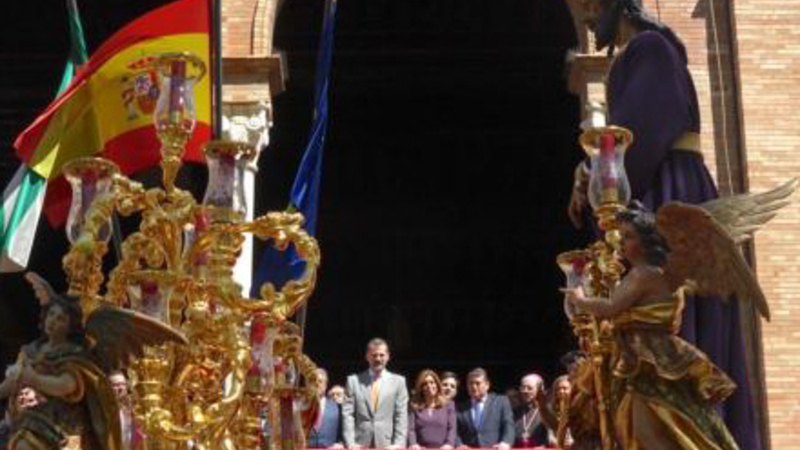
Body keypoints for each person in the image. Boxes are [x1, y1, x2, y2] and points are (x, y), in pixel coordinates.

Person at [566, 0, 758, 448]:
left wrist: (595, 172)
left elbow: (642, 131)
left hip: (667, 188)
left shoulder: (650, 47)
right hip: (662, 186)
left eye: (594, 7)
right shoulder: (644, 52)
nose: (589, 19)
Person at [561, 207, 739, 449]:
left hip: (648, 358)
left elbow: (611, 307)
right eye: (621, 236)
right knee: (659, 422)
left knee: (645, 428)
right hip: (654, 357)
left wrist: (580, 299)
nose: (621, 243)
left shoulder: (644, 274)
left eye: (628, 236)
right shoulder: (662, 274)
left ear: (647, 241)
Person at [0, 294, 121, 450]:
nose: (52, 321)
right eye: (51, 314)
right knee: (22, 442)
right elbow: (13, 383)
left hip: (68, 421)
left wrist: (34, 379)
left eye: (61, 319)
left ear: (71, 326)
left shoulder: (75, 353)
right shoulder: (32, 350)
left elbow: (67, 385)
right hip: (42, 416)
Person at [342, 338, 408, 449]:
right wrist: (350, 443)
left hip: (388, 444)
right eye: (374, 355)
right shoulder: (353, 381)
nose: (378, 359)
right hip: (359, 444)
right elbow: (348, 415)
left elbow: (401, 415)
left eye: (382, 355)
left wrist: (398, 444)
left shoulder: (398, 382)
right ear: (367, 357)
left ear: (388, 356)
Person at [455, 368, 514, 449]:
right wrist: (459, 444)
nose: (474, 387)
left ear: (487, 385)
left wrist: (506, 442)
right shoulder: (460, 407)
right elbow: (455, 430)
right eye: (470, 383)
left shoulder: (500, 401)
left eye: (477, 383)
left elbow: (508, 424)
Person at [407, 369, 456, 449]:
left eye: (432, 382)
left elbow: (452, 428)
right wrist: (413, 443)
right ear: (421, 388)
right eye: (425, 384)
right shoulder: (414, 405)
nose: (429, 386)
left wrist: (449, 444)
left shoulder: (448, 404)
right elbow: (411, 429)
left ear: (437, 384)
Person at [308, 368, 343, 448]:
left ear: (326, 385)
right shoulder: (300, 407)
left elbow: (343, 430)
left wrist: (341, 443)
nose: (317, 384)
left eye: (320, 381)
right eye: (313, 381)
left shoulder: (337, 407)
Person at [109, 372, 143, 450]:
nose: (120, 388)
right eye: (116, 385)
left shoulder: (134, 408)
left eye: (123, 384)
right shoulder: (105, 409)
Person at [513, 374, 547, 448]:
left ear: (539, 390)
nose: (525, 391)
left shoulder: (548, 412)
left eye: (530, 388)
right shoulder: (514, 412)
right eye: (523, 387)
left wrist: (545, 446)